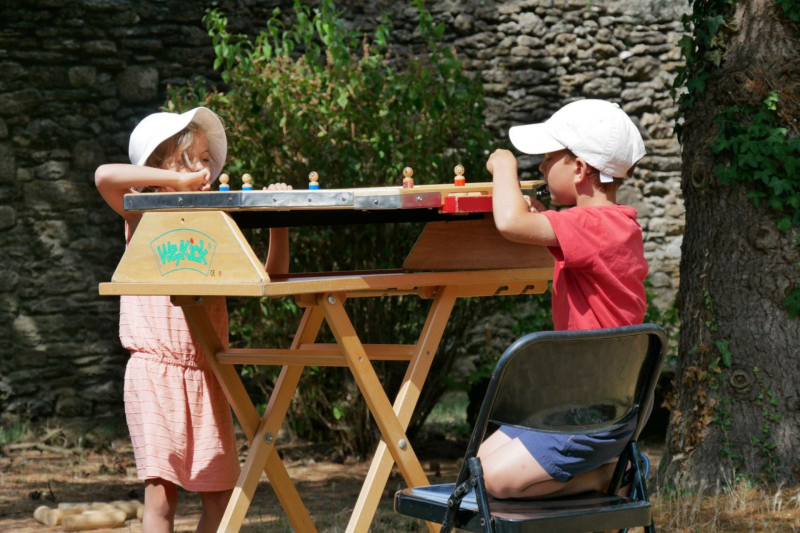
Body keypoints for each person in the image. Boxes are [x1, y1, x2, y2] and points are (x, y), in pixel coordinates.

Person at [95, 107, 291, 533]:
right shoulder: (141, 214)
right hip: (154, 371)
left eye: (205, 159)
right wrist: (178, 185)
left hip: (207, 372)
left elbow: (269, 277)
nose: (202, 168)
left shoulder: (216, 223)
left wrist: (278, 220)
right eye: (190, 159)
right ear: (156, 168)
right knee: (161, 498)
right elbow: (103, 176)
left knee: (222, 501)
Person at [481, 99, 648, 501]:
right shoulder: (616, 224)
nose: (540, 168)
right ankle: (605, 470)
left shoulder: (591, 224)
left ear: (579, 168)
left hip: (591, 412)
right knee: (479, 464)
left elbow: (508, 222)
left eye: (548, 158)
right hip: (605, 404)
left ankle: (608, 477)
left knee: (494, 481)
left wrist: (504, 166)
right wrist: (544, 217)